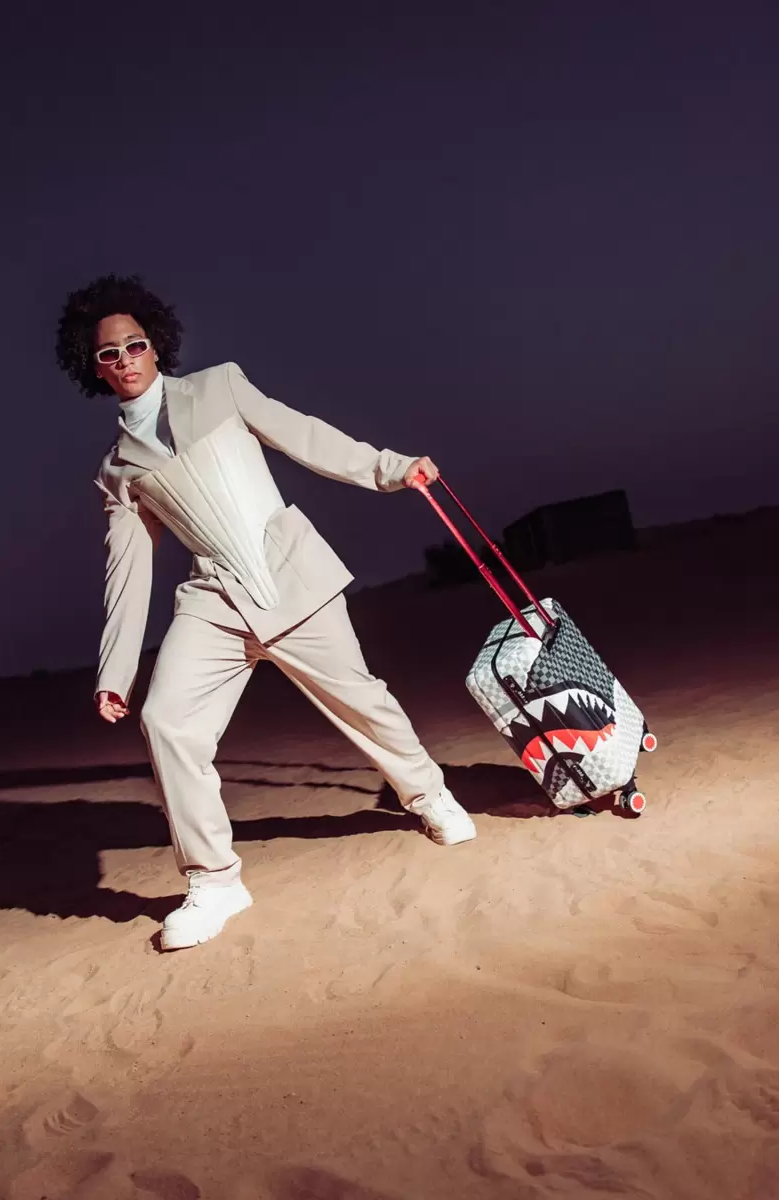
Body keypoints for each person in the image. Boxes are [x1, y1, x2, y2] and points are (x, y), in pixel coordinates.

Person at [55, 275, 476, 951]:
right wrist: (115, 671)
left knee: (361, 698)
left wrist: (391, 468)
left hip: (289, 574)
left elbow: (303, 436)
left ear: (156, 345)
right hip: (215, 601)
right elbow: (127, 572)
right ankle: (215, 881)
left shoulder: (219, 386)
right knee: (167, 722)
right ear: (94, 367)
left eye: (135, 344)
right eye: (109, 353)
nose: (126, 359)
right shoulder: (117, 470)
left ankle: (429, 795)